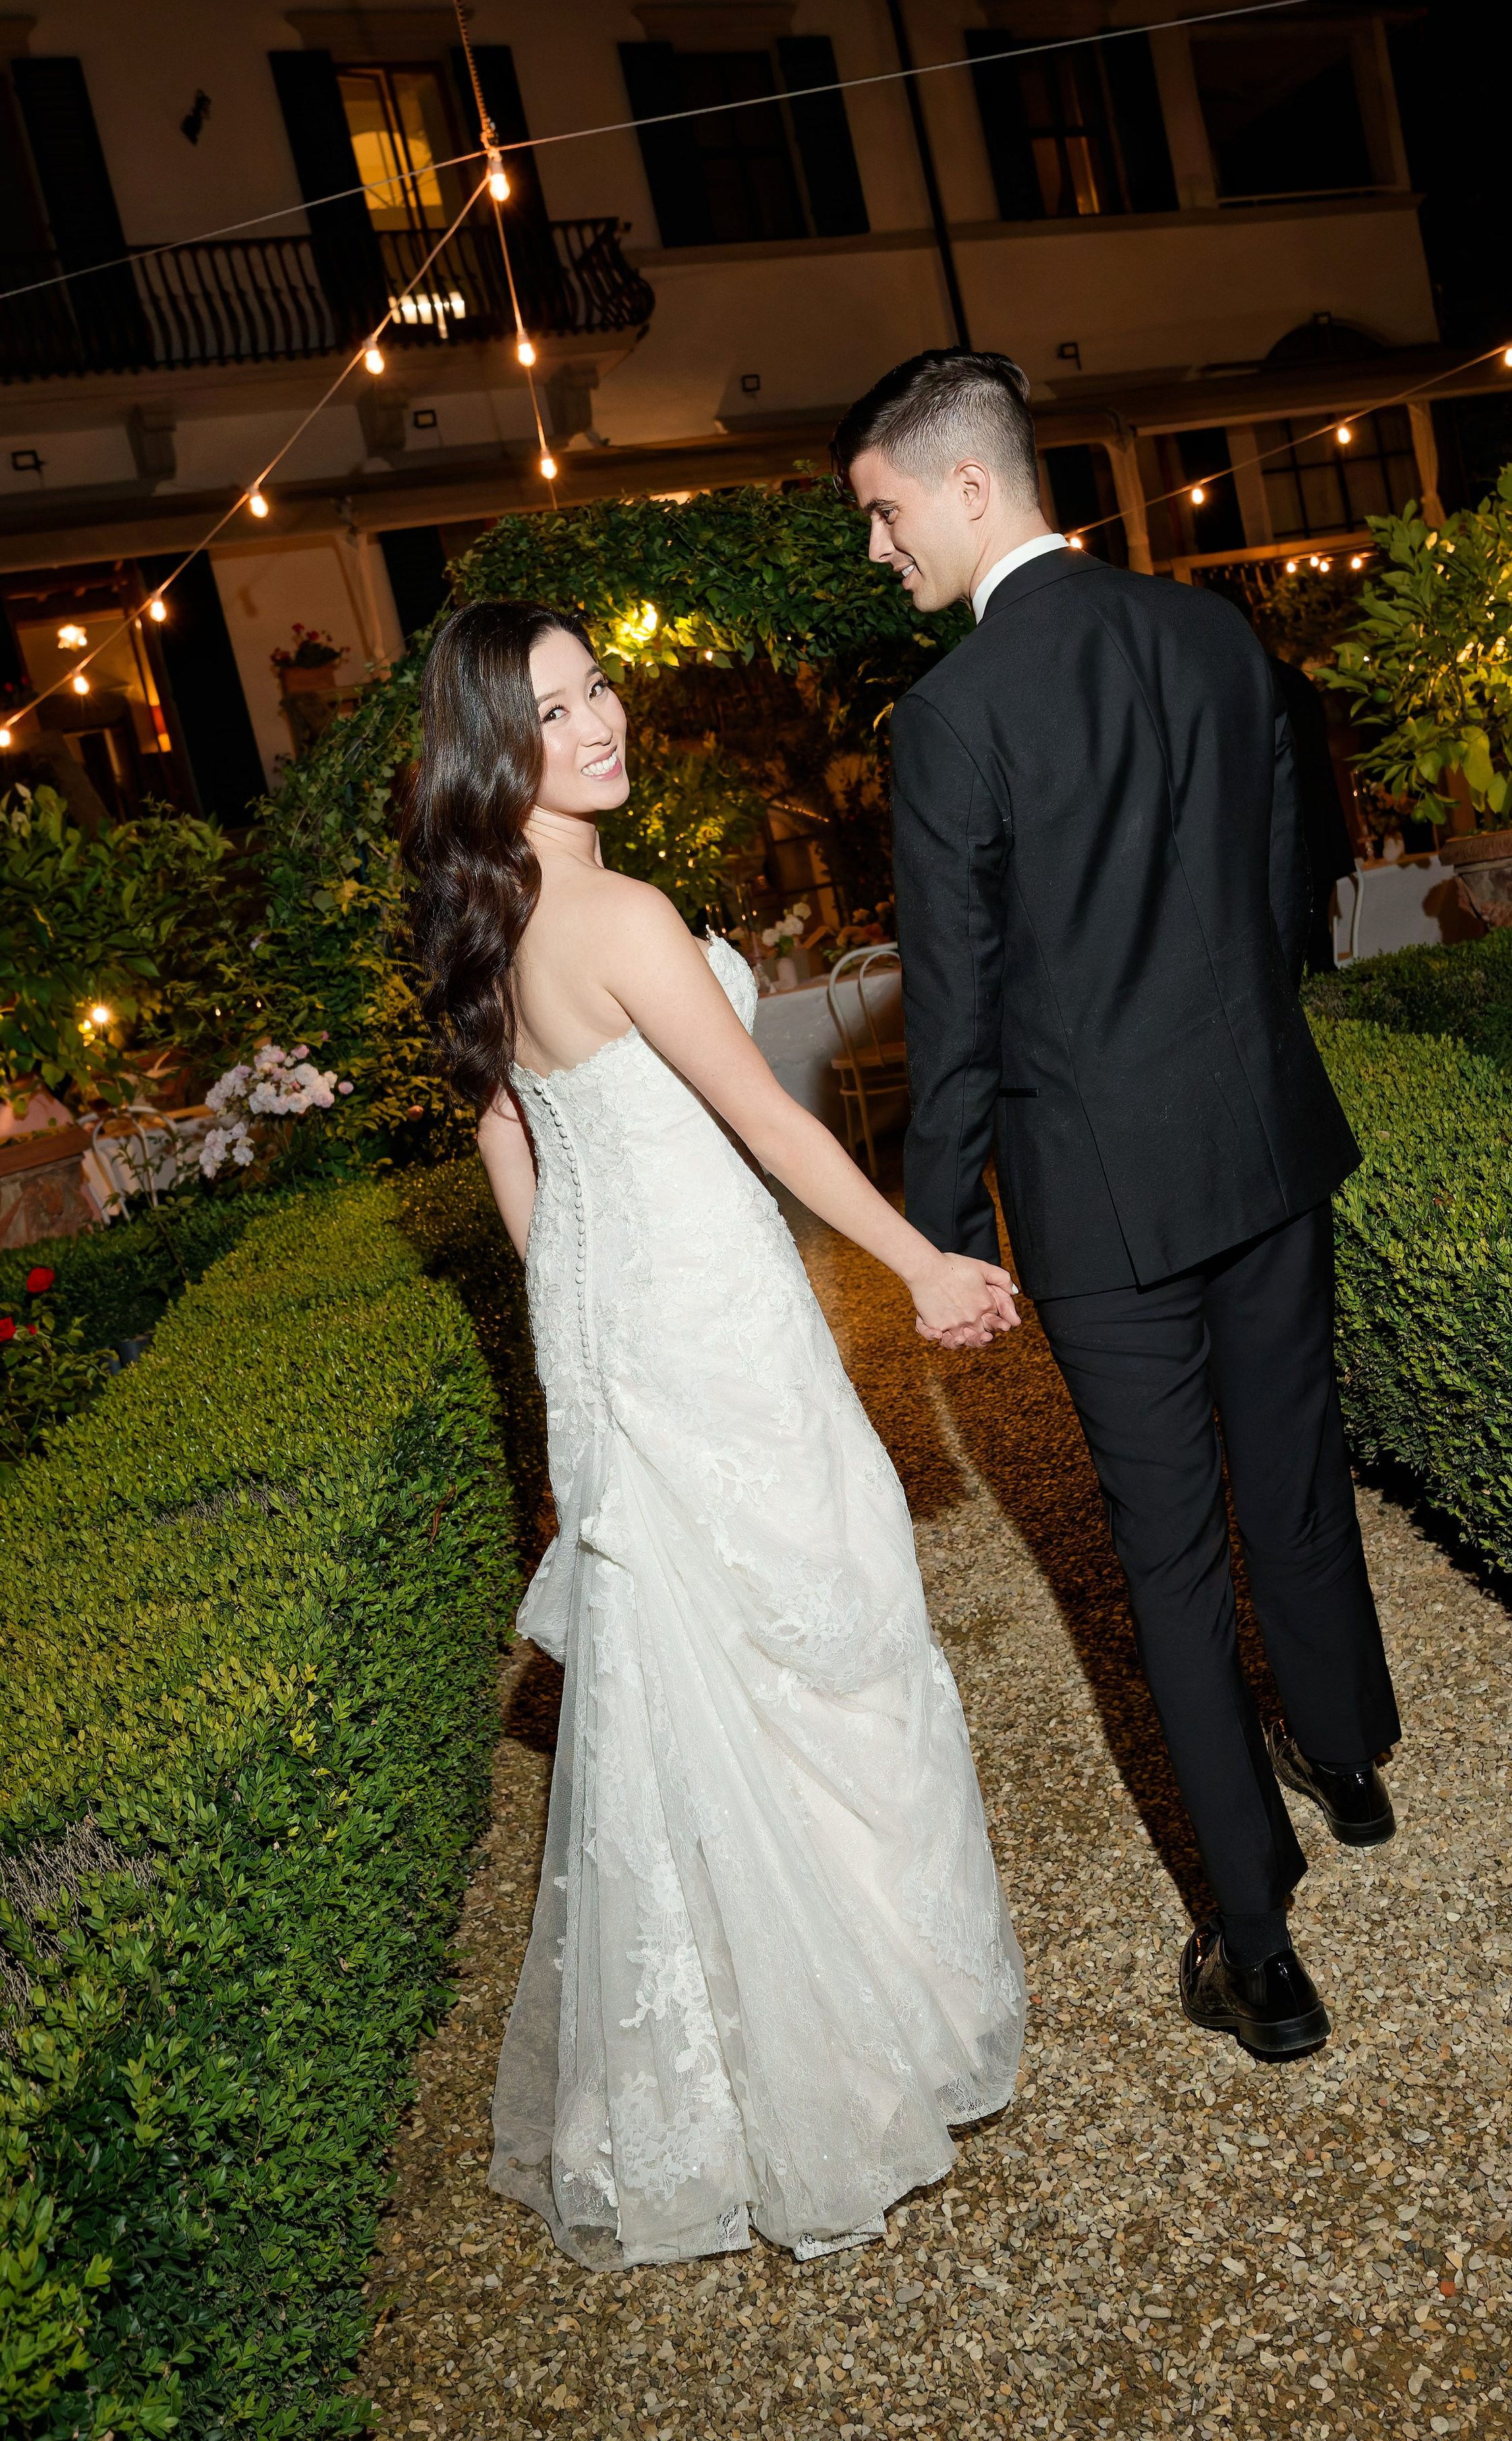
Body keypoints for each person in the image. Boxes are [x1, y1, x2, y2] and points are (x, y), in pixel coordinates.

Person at [405, 601, 1025, 2272]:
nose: (599, 721)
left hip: (621, 1328)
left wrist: (584, 1316)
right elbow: (766, 1125)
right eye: (553, 709)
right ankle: (863, 2037)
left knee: (701, 1670)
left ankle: (729, 2061)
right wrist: (920, 1265)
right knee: (823, 1634)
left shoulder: (487, 923)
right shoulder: (617, 914)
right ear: (495, 748)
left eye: (597, 687)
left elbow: (514, 1157)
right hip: (715, 1320)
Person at [832, 349, 1401, 2063]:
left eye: (883, 512)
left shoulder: (949, 720)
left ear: (969, 486)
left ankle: (1260, 1951)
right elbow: (1286, 881)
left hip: (1101, 1194)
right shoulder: (1214, 635)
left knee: (1165, 1554)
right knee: (1291, 1467)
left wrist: (944, 1235)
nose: (877, 549)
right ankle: (1347, 1761)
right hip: (1263, 1139)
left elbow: (955, 1006)